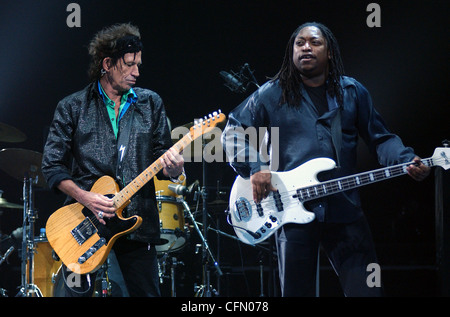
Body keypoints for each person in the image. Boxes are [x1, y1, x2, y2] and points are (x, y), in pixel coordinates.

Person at [221, 22, 430, 297]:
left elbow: (381, 138)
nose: (306, 47)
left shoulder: (353, 92)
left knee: (367, 291)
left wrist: (404, 159)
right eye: (299, 43)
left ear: (330, 51)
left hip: (344, 210)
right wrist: (257, 169)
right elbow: (233, 132)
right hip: (291, 214)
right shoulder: (273, 93)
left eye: (314, 42)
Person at [42, 23, 184, 297]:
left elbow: (163, 160)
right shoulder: (72, 106)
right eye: (129, 64)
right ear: (107, 63)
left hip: (136, 220)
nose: (137, 72)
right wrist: (86, 197)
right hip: (83, 223)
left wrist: (175, 169)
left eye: (138, 64)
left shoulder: (150, 103)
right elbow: (52, 166)